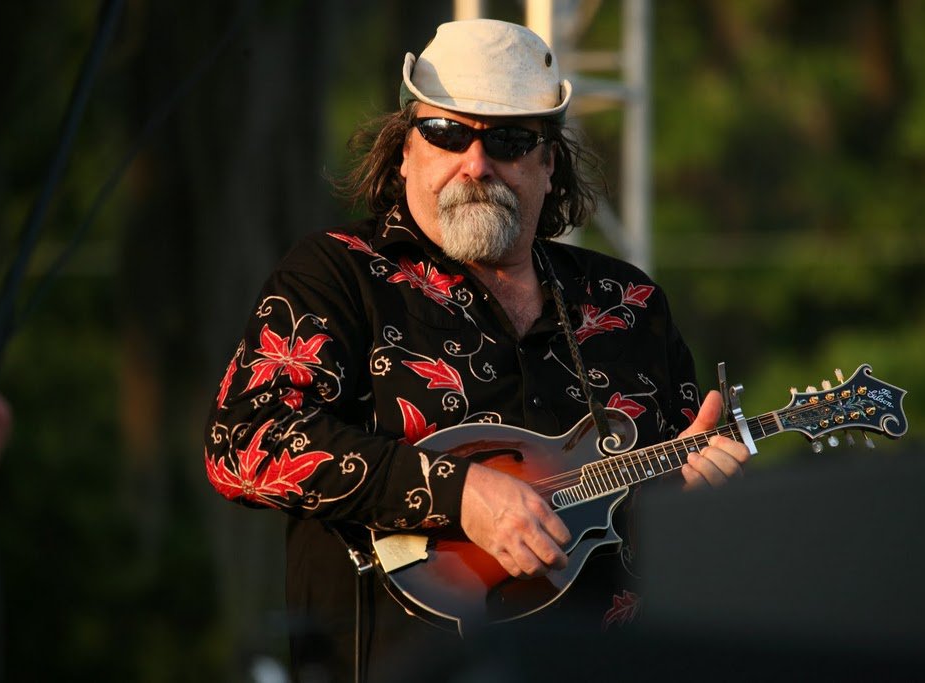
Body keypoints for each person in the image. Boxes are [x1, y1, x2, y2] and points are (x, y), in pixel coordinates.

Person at [203, 18, 751, 682]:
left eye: (510, 140)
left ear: (549, 164)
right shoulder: (335, 275)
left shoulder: (629, 303)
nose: (476, 163)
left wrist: (687, 504)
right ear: (405, 150)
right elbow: (244, 442)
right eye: (446, 133)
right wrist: (460, 493)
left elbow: (670, 552)